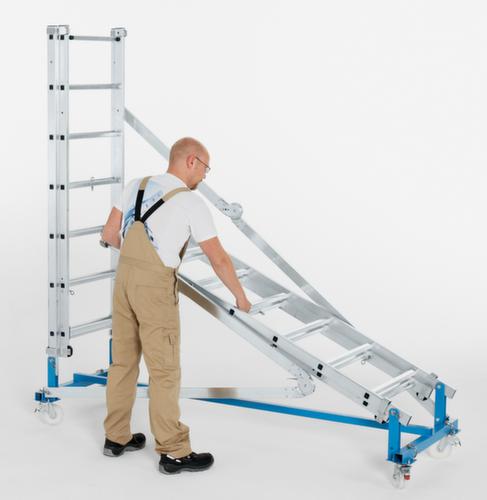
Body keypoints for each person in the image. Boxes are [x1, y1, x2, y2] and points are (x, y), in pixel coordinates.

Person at [100, 137, 252, 475]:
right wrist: (240, 296)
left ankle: (116, 437)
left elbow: (110, 234)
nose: (204, 176)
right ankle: (173, 451)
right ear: (191, 161)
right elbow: (218, 259)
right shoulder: (190, 203)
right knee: (164, 371)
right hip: (154, 290)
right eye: (206, 168)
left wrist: (138, 259)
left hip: (123, 282)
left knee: (122, 362)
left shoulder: (135, 186)